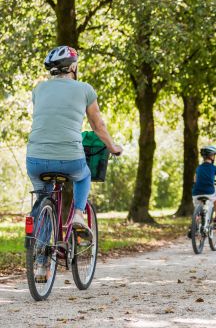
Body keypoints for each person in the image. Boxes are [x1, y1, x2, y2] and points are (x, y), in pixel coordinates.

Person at [27, 45, 123, 281]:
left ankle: (40, 264)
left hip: (35, 159)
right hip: (70, 157)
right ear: (72, 67)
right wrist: (113, 148)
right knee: (84, 175)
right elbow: (98, 126)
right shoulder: (85, 90)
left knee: (43, 198)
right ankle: (78, 214)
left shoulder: (38, 90)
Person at [189, 145, 216, 235]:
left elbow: (195, 180)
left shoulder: (198, 168)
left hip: (196, 193)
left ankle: (194, 226)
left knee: (198, 210)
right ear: (211, 156)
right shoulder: (214, 168)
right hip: (209, 192)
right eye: (214, 155)